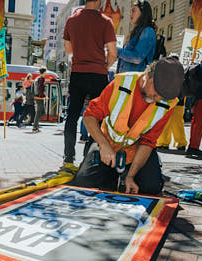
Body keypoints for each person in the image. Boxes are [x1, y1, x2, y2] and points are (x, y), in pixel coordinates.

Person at [69, 57, 184, 195]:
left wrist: (130, 176)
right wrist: (103, 144)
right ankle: (112, 172)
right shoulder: (121, 83)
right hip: (107, 144)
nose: (158, 98)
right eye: (157, 92)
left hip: (136, 150)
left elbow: (148, 142)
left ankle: (133, 171)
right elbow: (89, 117)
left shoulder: (169, 103)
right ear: (147, 77)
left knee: (151, 188)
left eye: (163, 96)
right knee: (84, 183)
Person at [63, 0, 117, 164]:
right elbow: (113, 52)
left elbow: (68, 50)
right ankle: (92, 155)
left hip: (78, 73)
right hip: (98, 75)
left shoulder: (71, 20)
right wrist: (104, 65)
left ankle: (68, 157)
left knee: (72, 116)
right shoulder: (105, 22)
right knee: (99, 117)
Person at [157, 53, 187, 150]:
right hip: (179, 100)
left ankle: (163, 143)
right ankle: (181, 143)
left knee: (165, 122)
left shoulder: (165, 70)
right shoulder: (181, 70)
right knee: (178, 123)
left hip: (167, 99)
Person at [116, 0, 156, 73]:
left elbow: (137, 57)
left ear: (143, 13)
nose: (130, 14)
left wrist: (117, 51)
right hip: (127, 80)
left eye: (133, 11)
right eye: (130, 11)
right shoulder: (137, 32)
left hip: (135, 81)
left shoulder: (147, 31)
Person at [32, 67, 47, 133]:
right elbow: (41, 88)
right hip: (39, 97)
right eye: (45, 72)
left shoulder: (37, 78)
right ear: (44, 72)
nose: (46, 73)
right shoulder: (41, 79)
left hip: (37, 96)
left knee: (42, 112)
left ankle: (36, 124)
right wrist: (44, 96)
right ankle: (35, 126)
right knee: (39, 112)